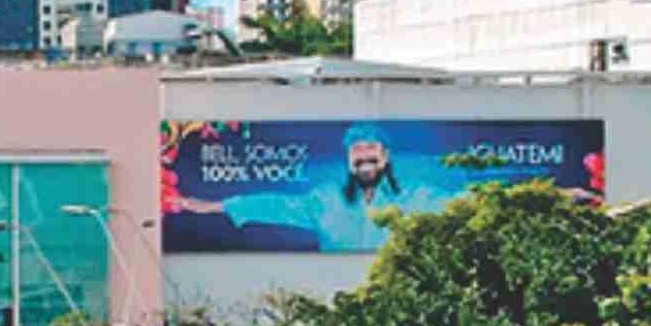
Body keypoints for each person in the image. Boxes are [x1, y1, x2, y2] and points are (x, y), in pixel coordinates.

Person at [174, 122, 452, 252]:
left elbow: (462, 204)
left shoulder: (418, 196)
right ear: (347, 159)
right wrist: (218, 206)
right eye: (357, 150)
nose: (364, 156)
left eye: (371, 149)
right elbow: (276, 205)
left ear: (386, 156)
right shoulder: (326, 199)